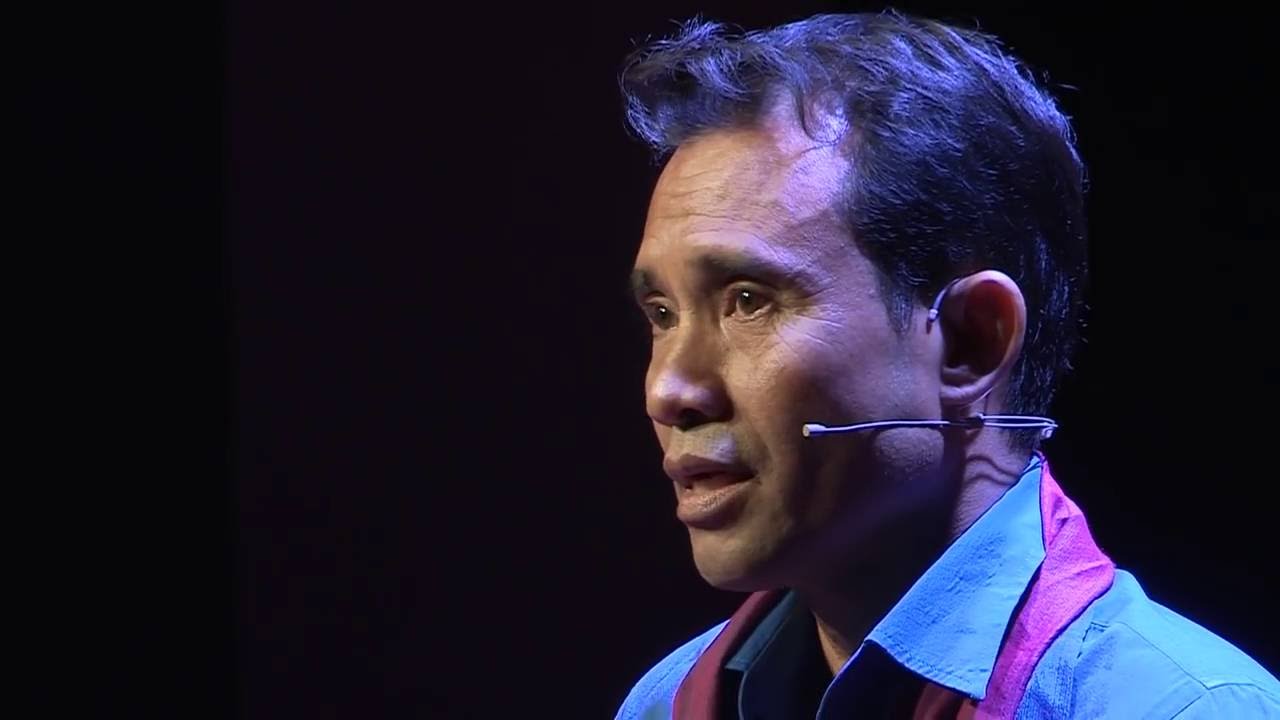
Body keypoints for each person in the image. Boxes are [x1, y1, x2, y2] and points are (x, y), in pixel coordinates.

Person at [613, 11, 1280, 719]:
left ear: (970, 341)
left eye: (749, 301)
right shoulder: (665, 703)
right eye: (662, 314)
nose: (669, 389)